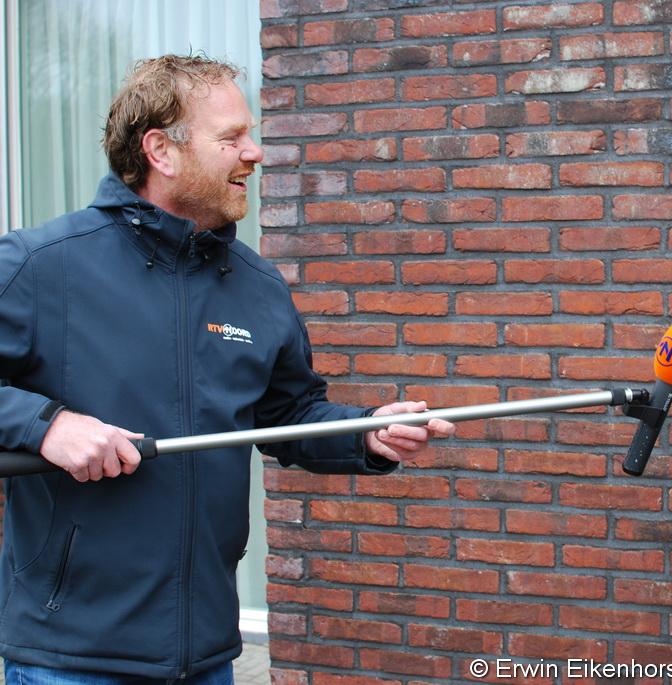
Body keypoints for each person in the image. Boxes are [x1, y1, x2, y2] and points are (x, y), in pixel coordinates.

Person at [0, 54, 454, 682]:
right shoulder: (41, 265)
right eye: (232, 137)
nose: (254, 153)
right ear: (161, 150)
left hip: (208, 654)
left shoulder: (258, 287)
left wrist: (366, 432)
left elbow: (290, 414)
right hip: (72, 658)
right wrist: (46, 425)